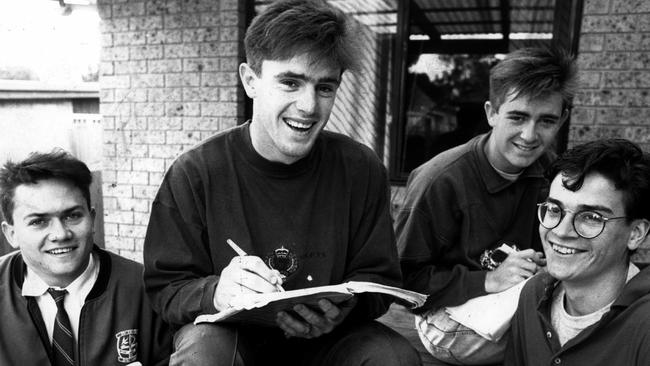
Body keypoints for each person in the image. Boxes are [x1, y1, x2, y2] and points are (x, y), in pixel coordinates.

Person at [143, 1, 421, 365]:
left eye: (325, 87)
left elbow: (380, 278)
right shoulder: (195, 172)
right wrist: (216, 292)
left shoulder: (360, 168)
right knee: (202, 351)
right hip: (235, 338)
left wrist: (342, 311)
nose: (308, 106)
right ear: (250, 80)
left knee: (392, 357)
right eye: (291, 82)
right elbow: (165, 288)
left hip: (330, 339)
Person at [395, 47, 578, 364]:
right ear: (491, 112)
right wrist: (488, 280)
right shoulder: (439, 180)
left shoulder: (551, 173)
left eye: (546, 120)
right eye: (517, 117)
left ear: (561, 120)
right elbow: (401, 284)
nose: (530, 135)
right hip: (445, 318)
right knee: (573, 335)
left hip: (515, 297)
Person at [0, 150, 172, 366]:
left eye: (72, 216)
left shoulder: (145, 289)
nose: (61, 234)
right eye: (38, 221)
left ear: (91, 218)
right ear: (11, 234)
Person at [505, 138, 650, 365]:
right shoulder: (533, 294)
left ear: (635, 234)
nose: (562, 232)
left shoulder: (644, 324)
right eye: (554, 209)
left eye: (591, 217)